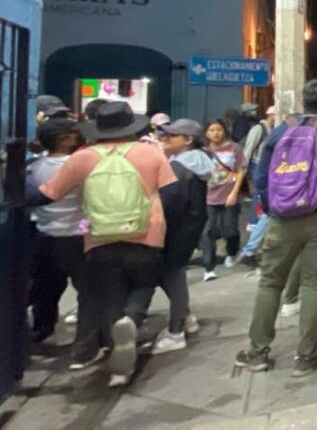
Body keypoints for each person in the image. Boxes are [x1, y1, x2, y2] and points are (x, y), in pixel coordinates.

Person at [27, 102, 177, 387]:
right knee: (144, 284)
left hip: (98, 236)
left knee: (109, 293)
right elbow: (170, 193)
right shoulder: (150, 153)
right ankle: (131, 320)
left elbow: (48, 194)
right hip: (147, 234)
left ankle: (114, 351)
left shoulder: (82, 158)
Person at [236, 79, 317, 378]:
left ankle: (257, 352)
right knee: (313, 283)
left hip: (283, 216)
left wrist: (270, 208)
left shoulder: (282, 130)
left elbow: (263, 174)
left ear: (303, 101)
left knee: (270, 282)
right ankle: (307, 355)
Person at [130, 119, 213, 354]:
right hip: (187, 229)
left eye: (171, 136)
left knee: (173, 278)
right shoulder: (195, 164)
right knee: (171, 276)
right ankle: (184, 317)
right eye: (164, 136)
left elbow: (169, 204)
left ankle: (176, 331)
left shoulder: (179, 169)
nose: (164, 140)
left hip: (174, 232)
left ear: (188, 140)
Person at [27, 119, 87, 345]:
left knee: (45, 288)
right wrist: (85, 228)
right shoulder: (78, 165)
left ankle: (42, 330)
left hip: (44, 234)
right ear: (66, 139)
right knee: (87, 289)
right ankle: (89, 337)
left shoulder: (33, 166)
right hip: (76, 235)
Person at [201, 120, 247, 281]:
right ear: (206, 133)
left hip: (229, 194)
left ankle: (232, 251)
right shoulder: (203, 151)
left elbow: (241, 170)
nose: (215, 133)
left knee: (231, 229)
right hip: (208, 196)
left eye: (219, 129)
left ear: (224, 131)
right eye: (211, 130)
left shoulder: (234, 148)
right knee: (208, 231)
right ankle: (208, 268)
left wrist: (234, 193)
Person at [237, 106, 277, 266]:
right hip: (258, 168)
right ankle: (249, 250)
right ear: (271, 115)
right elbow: (247, 151)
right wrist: (246, 177)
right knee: (261, 207)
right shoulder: (258, 129)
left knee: (263, 210)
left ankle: (251, 249)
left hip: (266, 170)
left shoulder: (272, 130)